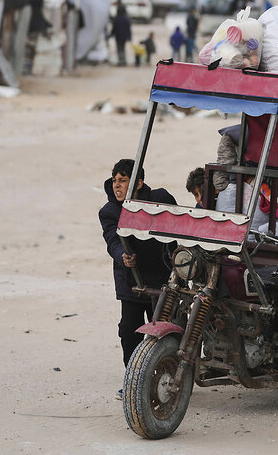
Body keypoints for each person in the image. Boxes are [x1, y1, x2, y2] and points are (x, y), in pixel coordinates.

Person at [98, 159, 177, 397]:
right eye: (115, 181)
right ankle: (133, 381)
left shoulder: (161, 198)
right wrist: (123, 256)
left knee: (167, 330)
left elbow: (178, 224)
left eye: (123, 180)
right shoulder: (109, 211)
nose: (116, 186)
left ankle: (171, 379)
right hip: (131, 280)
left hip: (163, 278)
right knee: (129, 331)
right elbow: (112, 241)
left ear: (139, 182)